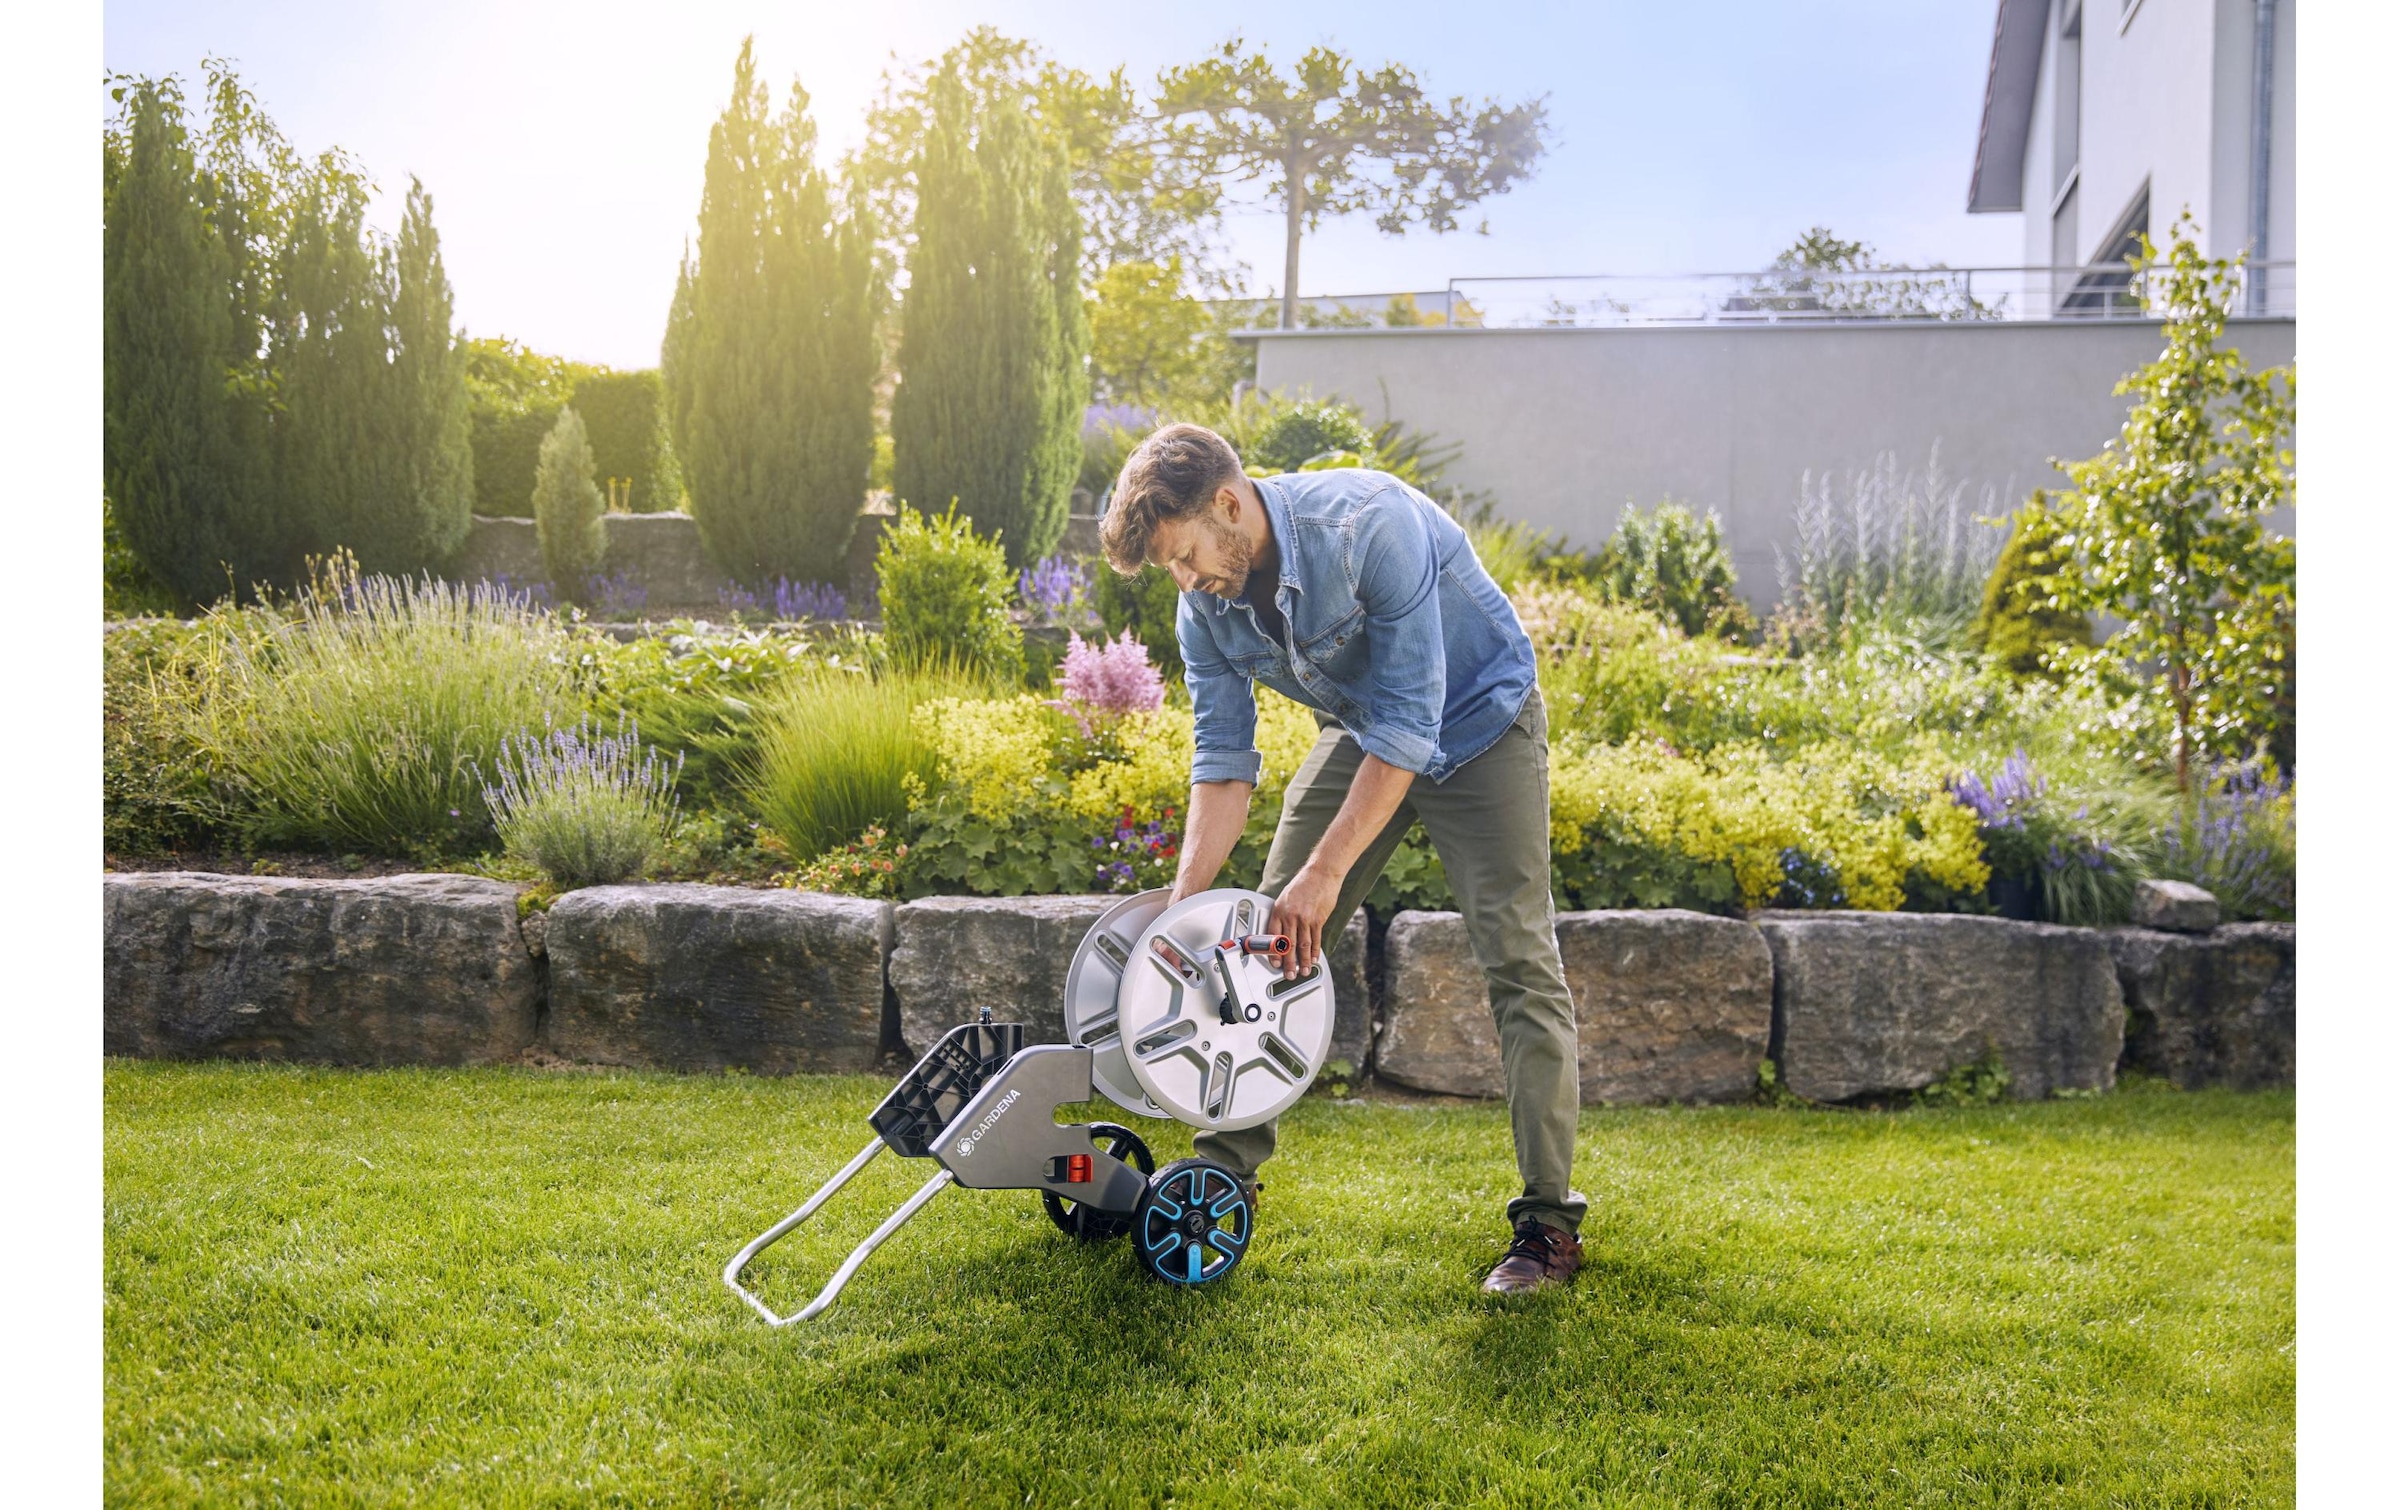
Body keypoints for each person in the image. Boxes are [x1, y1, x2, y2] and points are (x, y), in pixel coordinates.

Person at [1098, 422, 1586, 1295]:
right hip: (1370, 734)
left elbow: (1412, 724)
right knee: (1261, 939)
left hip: (1481, 726)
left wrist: (1323, 878)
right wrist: (1182, 906)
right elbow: (1223, 758)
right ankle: (1220, 1179)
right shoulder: (1204, 602)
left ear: (1228, 502)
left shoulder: (1369, 526)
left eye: (1185, 555)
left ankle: (1548, 1224)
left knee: (1519, 960)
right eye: (1169, 568)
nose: (1187, 580)